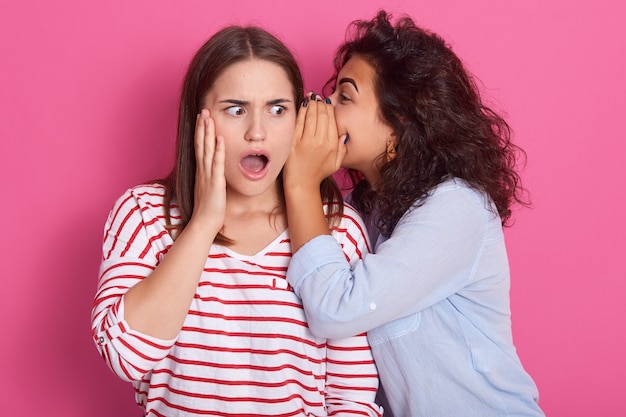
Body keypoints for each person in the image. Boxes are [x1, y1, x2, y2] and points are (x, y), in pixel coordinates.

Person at [91, 25, 382, 416]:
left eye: (277, 109)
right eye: (236, 109)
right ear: (200, 117)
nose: (257, 131)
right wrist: (204, 222)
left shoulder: (336, 226)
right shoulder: (144, 214)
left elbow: (352, 397)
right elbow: (126, 357)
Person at [284, 10, 545, 417]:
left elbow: (336, 310)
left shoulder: (458, 207)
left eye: (345, 97)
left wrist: (300, 183)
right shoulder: (359, 213)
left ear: (401, 121)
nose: (325, 108)